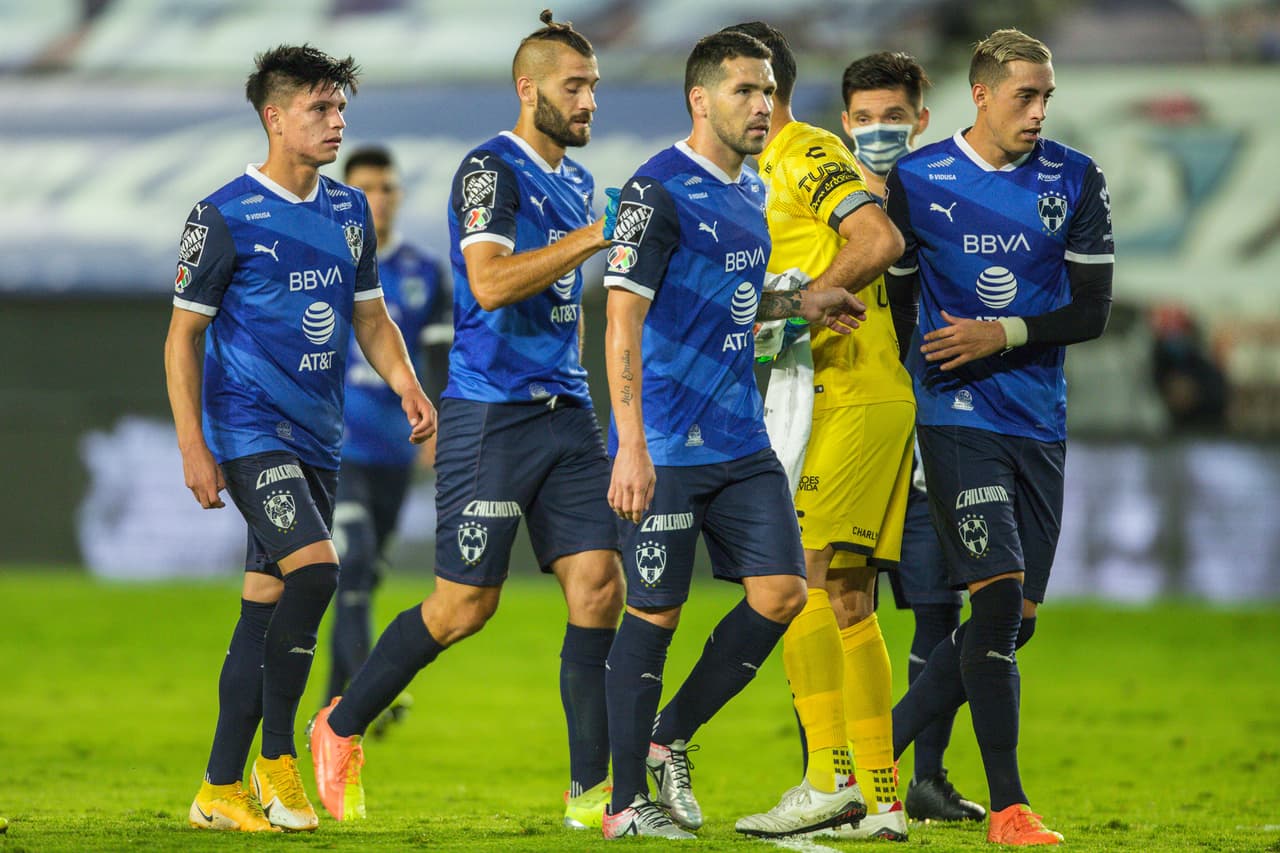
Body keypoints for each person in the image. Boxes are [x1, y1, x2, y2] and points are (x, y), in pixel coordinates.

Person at [308, 11, 626, 830]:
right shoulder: (491, 169)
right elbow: (487, 282)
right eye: (574, 86)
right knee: (462, 608)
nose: (589, 100)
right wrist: (596, 239)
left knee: (598, 587)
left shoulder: (579, 181)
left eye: (593, 85)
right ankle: (339, 726)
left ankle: (592, 791)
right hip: (491, 416)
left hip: (566, 414)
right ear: (530, 90)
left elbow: (566, 306)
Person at [599, 30, 867, 840]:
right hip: (670, 446)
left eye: (771, 89)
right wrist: (632, 443)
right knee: (653, 616)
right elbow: (621, 323)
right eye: (747, 90)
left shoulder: (751, 195)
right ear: (700, 98)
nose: (764, 105)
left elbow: (737, 312)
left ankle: (666, 735)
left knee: (783, 593)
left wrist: (799, 304)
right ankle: (621, 806)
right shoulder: (656, 191)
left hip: (741, 442)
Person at [165, 45, 435, 832]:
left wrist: (409, 383)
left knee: (264, 608)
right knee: (318, 573)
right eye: (320, 108)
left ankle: (218, 789)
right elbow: (182, 338)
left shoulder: (349, 211)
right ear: (275, 117)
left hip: (323, 438)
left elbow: (372, 319)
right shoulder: (222, 215)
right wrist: (193, 443)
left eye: (340, 107)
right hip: (250, 430)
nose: (337, 121)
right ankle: (280, 757)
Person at [884, 28, 1113, 846]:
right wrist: (924, 378)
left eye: (1047, 95)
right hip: (955, 419)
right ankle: (1010, 806)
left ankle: (867, 761)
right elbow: (901, 301)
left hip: (1039, 419)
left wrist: (1003, 333)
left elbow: (1091, 310)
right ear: (980, 94)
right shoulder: (917, 179)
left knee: (1016, 617)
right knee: (994, 596)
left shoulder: (1076, 178)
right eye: (1026, 95)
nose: (1040, 111)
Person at [723, 24, 911, 842]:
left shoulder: (804, 152)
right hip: (819, 394)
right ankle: (879, 797)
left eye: (743, 85)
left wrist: (806, 299)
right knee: (844, 593)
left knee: (796, 575)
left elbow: (878, 238)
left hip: (853, 390)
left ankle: (829, 778)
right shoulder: (746, 174)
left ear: (772, 88)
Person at [841, 50, 986, 824]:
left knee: (940, 610)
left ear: (922, 121)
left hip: (929, 423)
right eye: (864, 120)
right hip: (844, 428)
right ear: (843, 123)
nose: (878, 132)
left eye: (893, 118)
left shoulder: (943, 201)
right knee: (838, 602)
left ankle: (922, 777)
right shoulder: (814, 200)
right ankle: (832, 773)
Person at [323, 146, 452, 735]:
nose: (378, 198)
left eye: (387, 187)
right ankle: (374, 693)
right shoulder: (320, 262)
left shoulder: (423, 272)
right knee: (349, 565)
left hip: (394, 451)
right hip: (334, 445)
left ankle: (330, 714)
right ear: (346, 196)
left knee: (363, 576)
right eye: (366, 188)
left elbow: (438, 359)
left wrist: (438, 429)